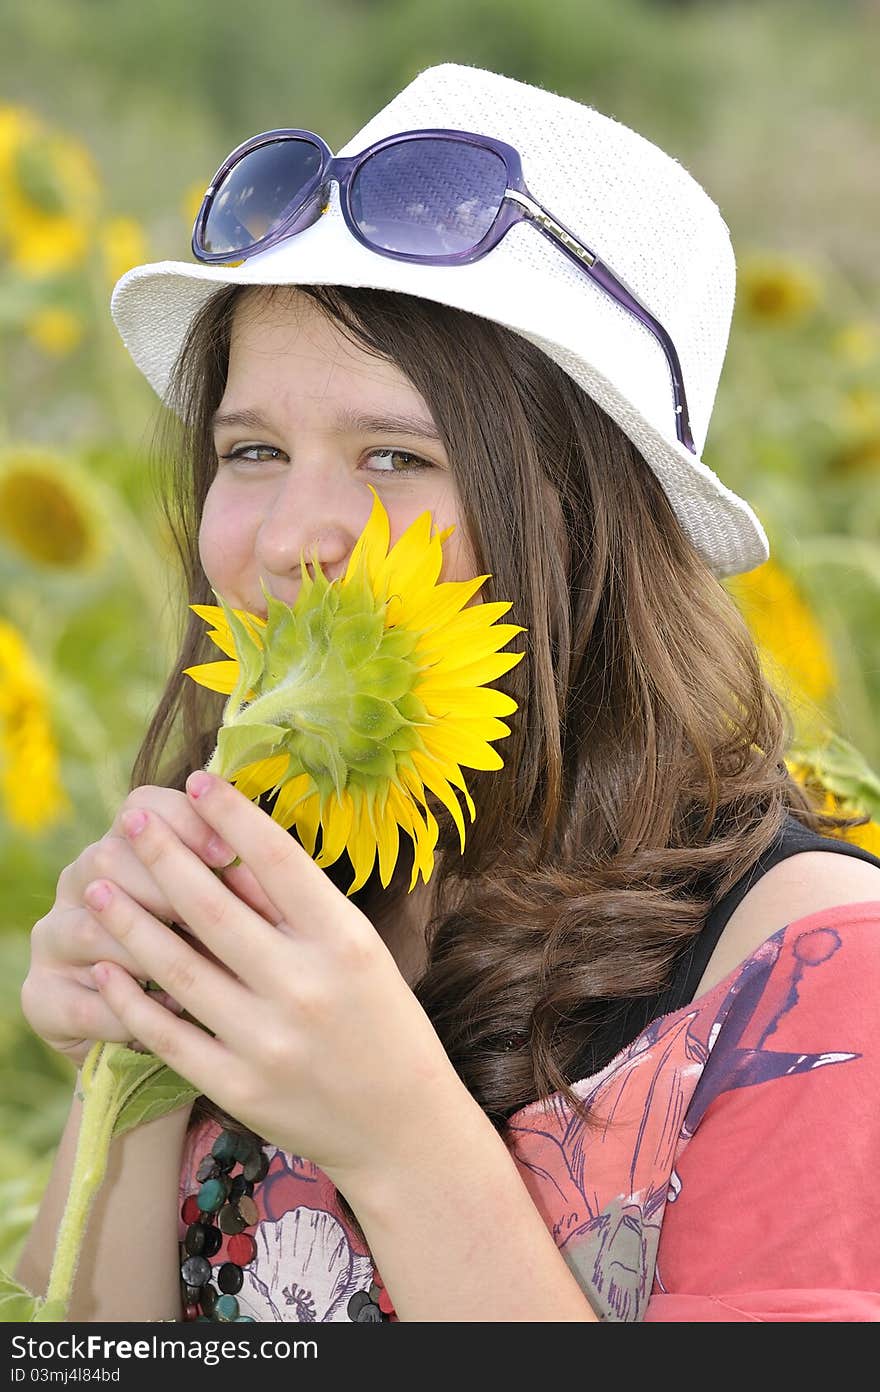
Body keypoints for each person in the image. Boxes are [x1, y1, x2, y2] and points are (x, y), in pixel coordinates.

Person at [16, 63, 880, 1323]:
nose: (294, 536)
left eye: (394, 455)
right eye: (251, 450)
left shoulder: (812, 979)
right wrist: (132, 1064)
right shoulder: (271, 903)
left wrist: (394, 1137)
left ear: (590, 519)